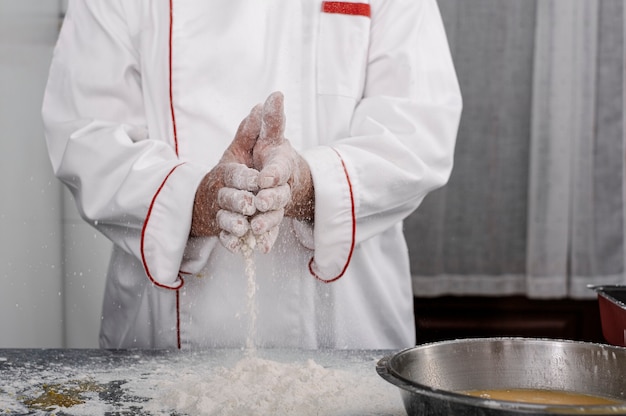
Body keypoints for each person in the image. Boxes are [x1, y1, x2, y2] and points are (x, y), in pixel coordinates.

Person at [42, 0, 462, 350]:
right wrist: (193, 201)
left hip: (346, 329)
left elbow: (419, 131)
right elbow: (84, 134)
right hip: (163, 339)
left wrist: (309, 184)